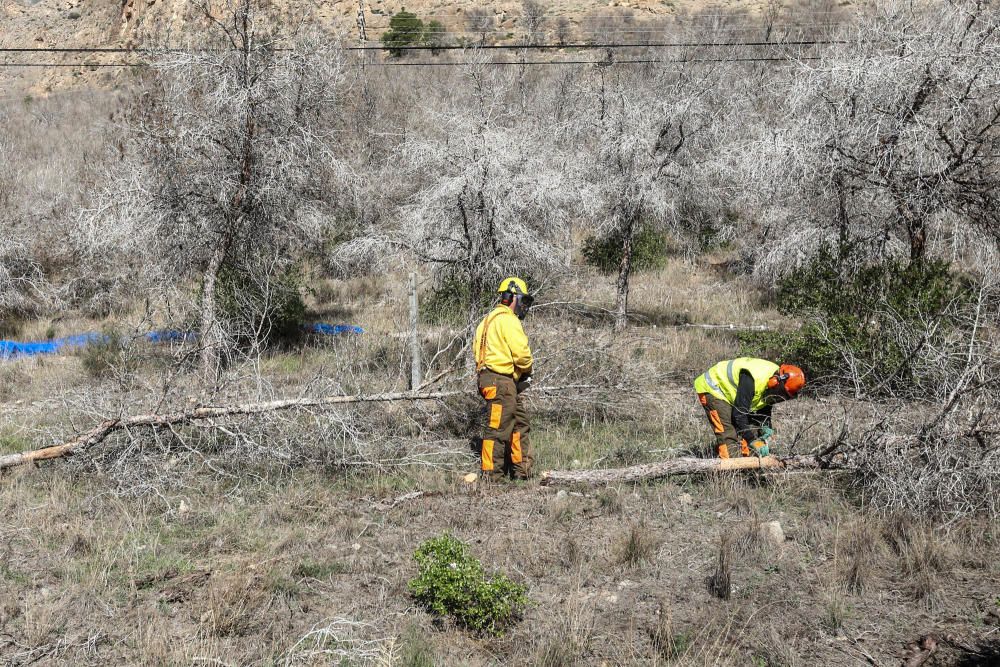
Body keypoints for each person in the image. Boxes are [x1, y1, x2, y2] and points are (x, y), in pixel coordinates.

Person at [473, 277, 535, 479]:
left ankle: (521, 471)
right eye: (522, 300)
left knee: (519, 424)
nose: (523, 306)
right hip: (501, 383)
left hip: (493, 381)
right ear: (512, 297)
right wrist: (527, 369)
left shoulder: (486, 320)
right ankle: (492, 476)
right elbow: (522, 355)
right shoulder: (508, 320)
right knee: (498, 429)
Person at [693, 358, 805, 459]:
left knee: (753, 428)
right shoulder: (752, 378)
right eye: (781, 394)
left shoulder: (773, 379)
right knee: (728, 433)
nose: (780, 398)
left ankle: (749, 466)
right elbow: (739, 414)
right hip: (714, 388)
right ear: (775, 383)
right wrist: (752, 440)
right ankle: (731, 473)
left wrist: (765, 424)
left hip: (736, 394)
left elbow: (763, 402)